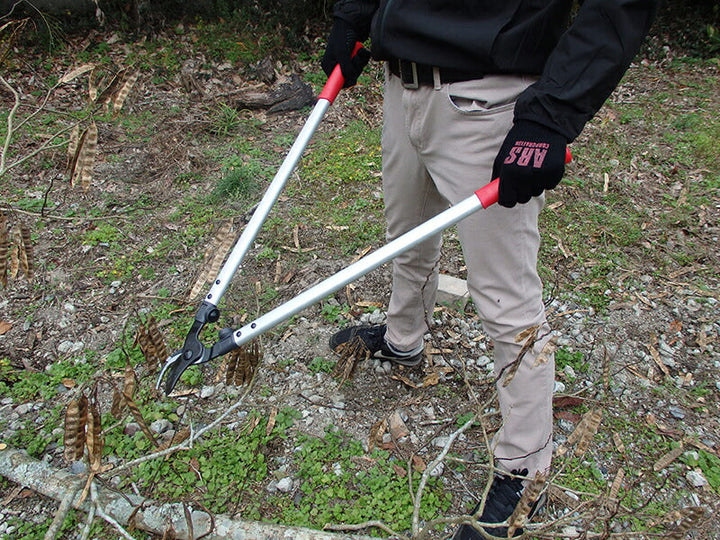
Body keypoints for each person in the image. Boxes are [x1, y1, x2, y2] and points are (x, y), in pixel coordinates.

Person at [321, 1, 659, 537]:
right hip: (401, 83)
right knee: (406, 239)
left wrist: (551, 114)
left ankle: (525, 468)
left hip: (488, 100)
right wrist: (356, 15)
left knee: (506, 297)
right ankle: (403, 339)